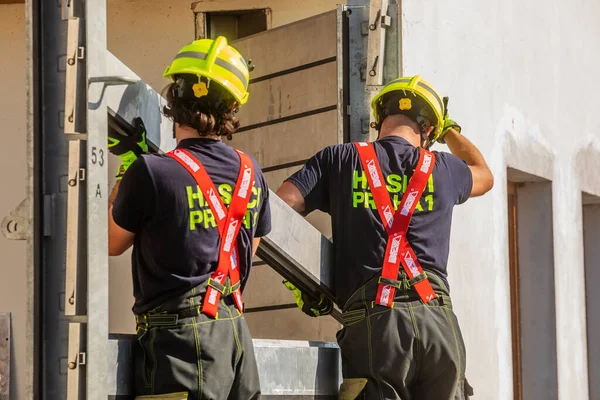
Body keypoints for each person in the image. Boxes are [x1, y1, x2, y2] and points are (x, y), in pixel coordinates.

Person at [276, 75, 493, 400]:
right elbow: (484, 174)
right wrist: (449, 130)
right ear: (429, 129)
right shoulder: (445, 168)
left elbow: (279, 208)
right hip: (438, 324)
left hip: (377, 328)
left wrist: (301, 276)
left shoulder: (339, 159)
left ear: (378, 120)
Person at [107, 36, 270, 400]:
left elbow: (111, 242)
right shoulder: (250, 172)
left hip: (178, 342)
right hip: (234, 336)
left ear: (173, 99)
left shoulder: (151, 172)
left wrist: (128, 169)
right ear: (231, 108)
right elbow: (248, 252)